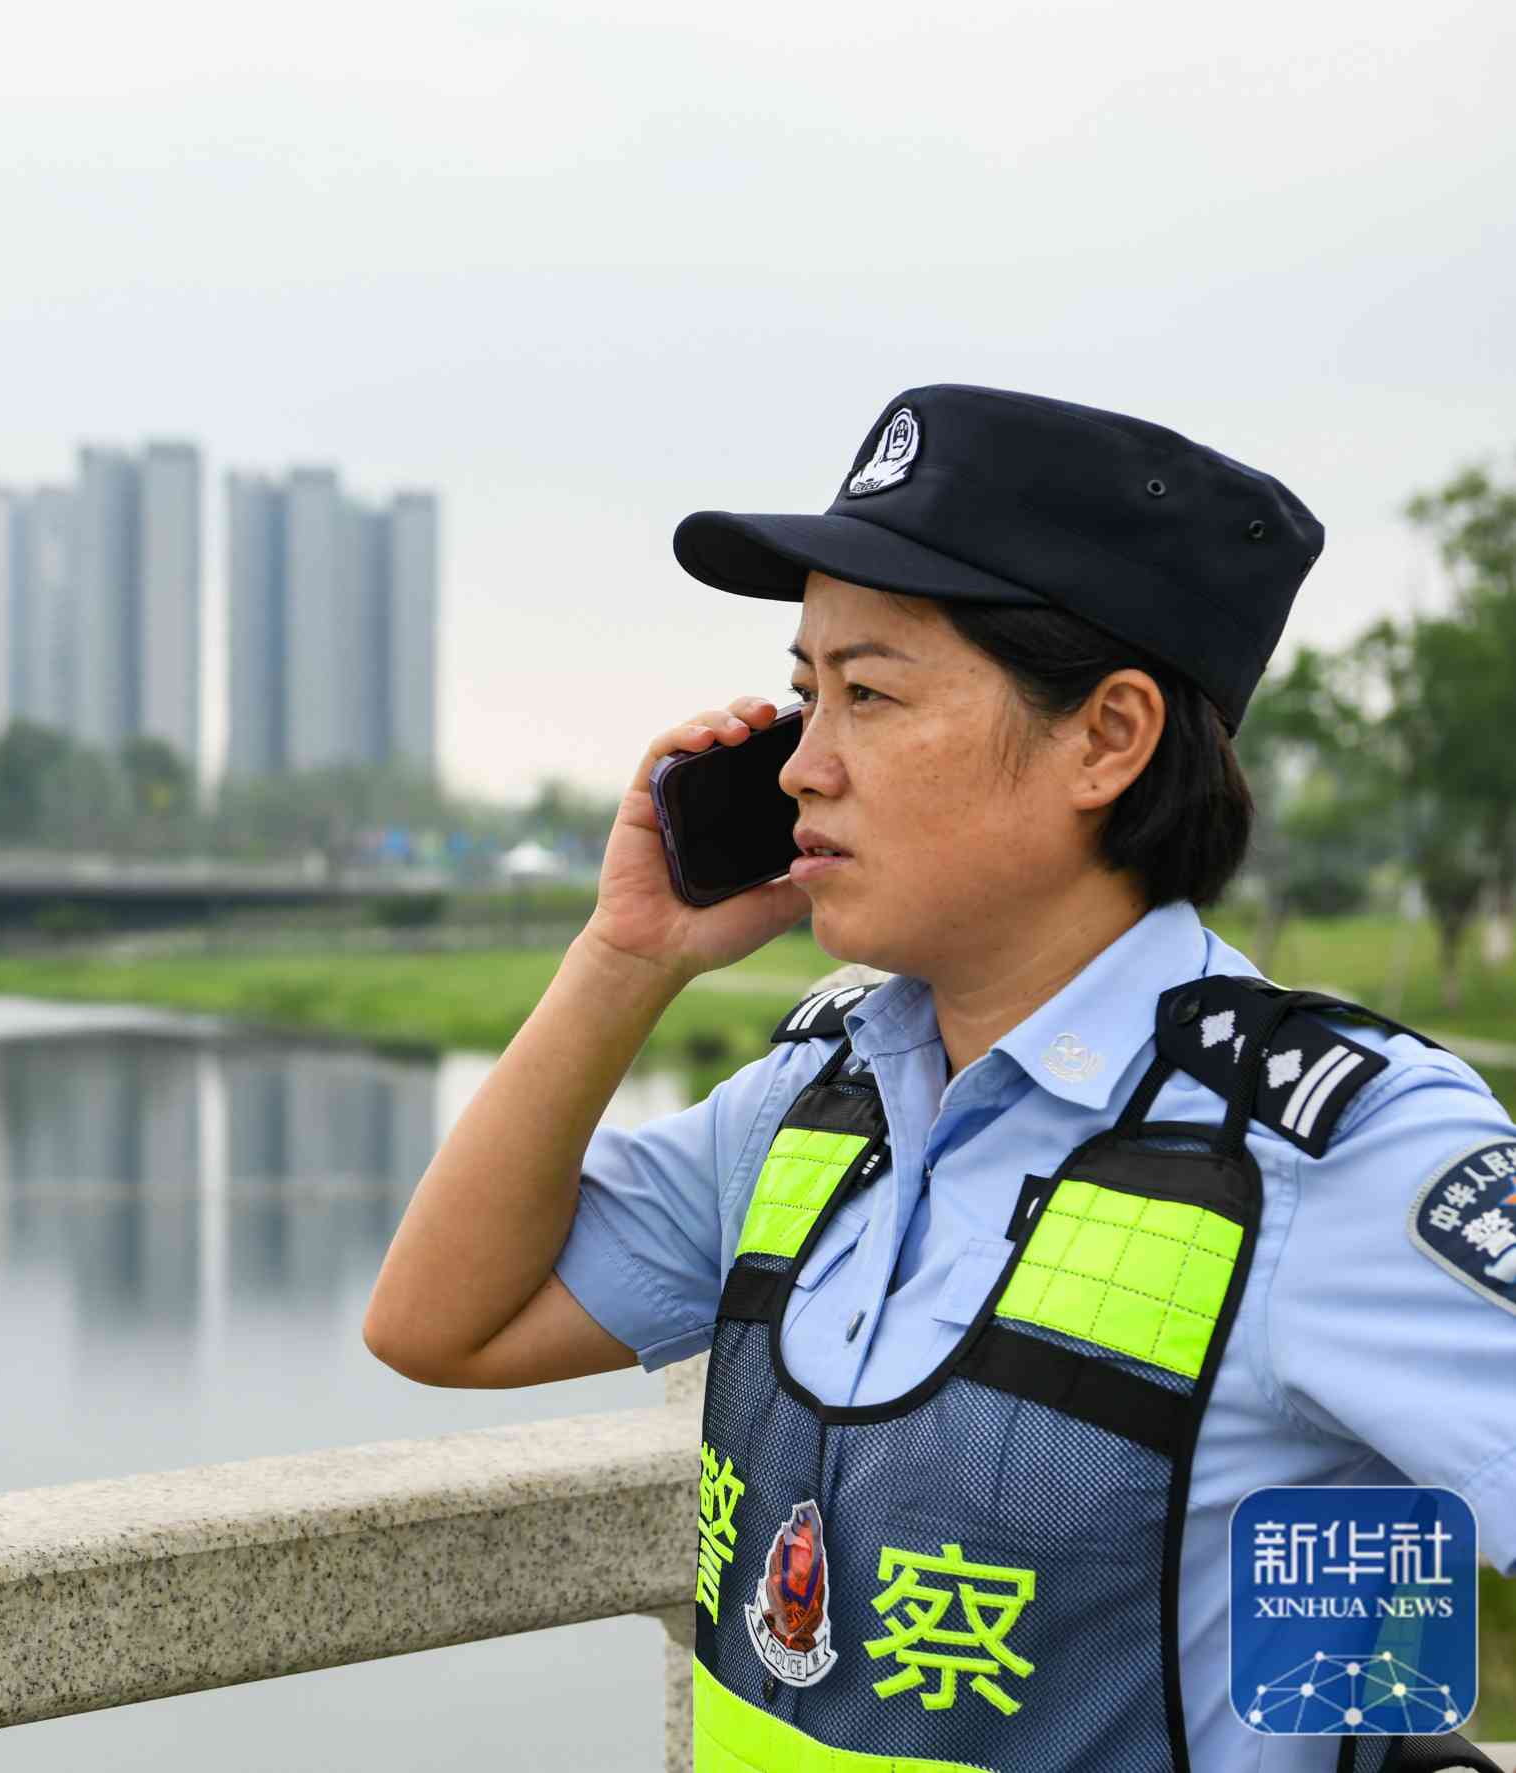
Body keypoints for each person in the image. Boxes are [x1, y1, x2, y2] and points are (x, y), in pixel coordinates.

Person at [362, 384, 1516, 1773]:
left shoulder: (1334, 1155)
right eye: (803, 693)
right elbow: (441, 1323)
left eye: (869, 693)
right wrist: (625, 955)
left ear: (1107, 737)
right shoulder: (811, 1105)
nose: (803, 765)